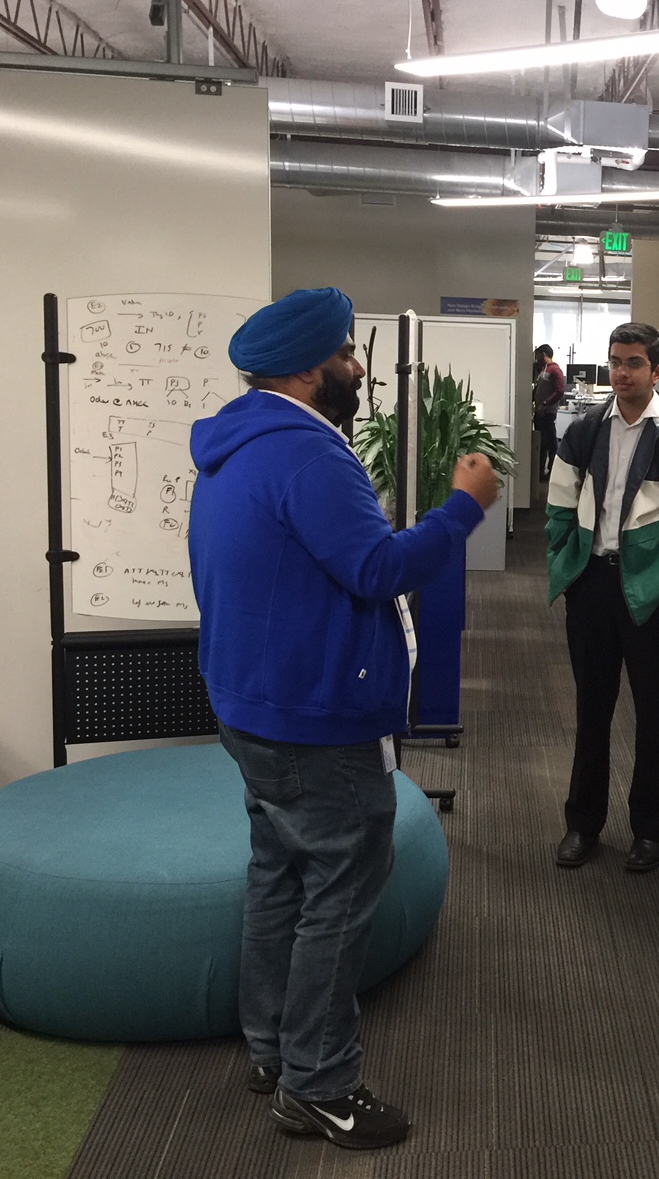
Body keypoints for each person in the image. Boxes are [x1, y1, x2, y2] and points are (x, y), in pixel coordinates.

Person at [188, 287, 500, 1150]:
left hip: (251, 704)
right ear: (305, 369)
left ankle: (271, 1050)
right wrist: (464, 504)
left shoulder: (232, 444)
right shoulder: (306, 454)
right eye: (345, 355)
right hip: (314, 717)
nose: (358, 369)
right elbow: (377, 569)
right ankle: (319, 1086)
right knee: (336, 894)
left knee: (278, 874)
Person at [546, 322, 659, 873]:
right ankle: (582, 825)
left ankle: (650, 831)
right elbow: (557, 507)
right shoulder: (586, 430)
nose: (621, 373)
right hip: (593, 584)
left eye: (634, 364)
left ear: (657, 371)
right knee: (591, 708)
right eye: (615, 362)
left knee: (652, 711)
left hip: (648, 591)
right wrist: (568, 568)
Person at [532, 343, 565, 482]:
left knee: (551, 444)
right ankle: (540, 473)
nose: (536, 358)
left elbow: (560, 391)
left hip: (547, 413)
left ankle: (552, 473)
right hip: (540, 413)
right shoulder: (544, 370)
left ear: (544, 354)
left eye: (538, 355)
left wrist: (545, 404)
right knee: (542, 444)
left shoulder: (555, 370)